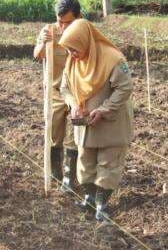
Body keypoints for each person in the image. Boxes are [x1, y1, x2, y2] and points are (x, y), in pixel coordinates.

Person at [59, 19, 133, 222]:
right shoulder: (72, 61)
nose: (71, 54)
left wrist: (103, 109)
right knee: (85, 162)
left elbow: (124, 88)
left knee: (108, 164)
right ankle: (89, 199)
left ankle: (102, 204)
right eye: (69, 50)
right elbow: (65, 88)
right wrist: (73, 104)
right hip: (85, 125)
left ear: (84, 42)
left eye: (74, 49)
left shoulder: (113, 59)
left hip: (111, 124)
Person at [33, 0, 82, 193]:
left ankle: (70, 180)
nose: (62, 26)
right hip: (54, 92)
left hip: (78, 93)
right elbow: (38, 55)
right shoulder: (49, 30)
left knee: (74, 136)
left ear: (78, 17)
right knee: (54, 135)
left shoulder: (85, 32)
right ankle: (55, 174)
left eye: (67, 22)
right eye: (59, 21)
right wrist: (45, 43)